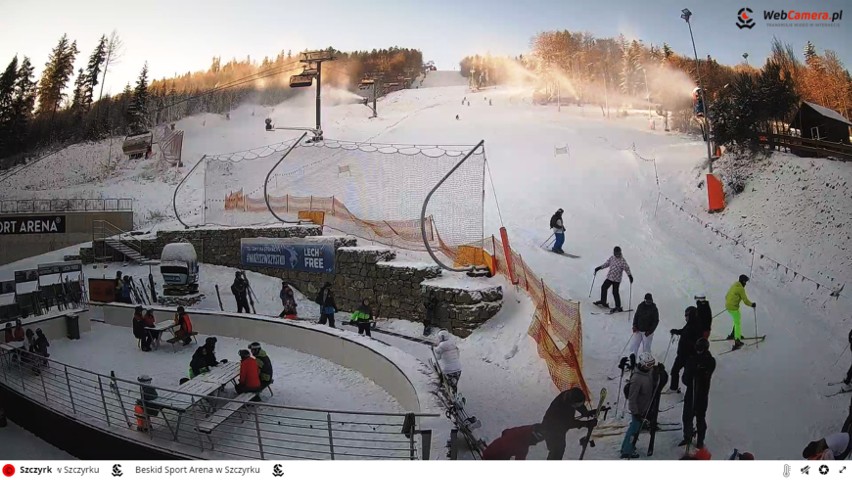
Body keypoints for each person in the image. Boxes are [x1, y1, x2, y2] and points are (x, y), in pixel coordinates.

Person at [541, 387, 598, 460]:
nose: (579, 405)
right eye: (577, 405)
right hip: (551, 429)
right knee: (557, 450)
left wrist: (586, 413)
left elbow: (579, 405)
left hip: (559, 427)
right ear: (572, 403)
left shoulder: (570, 396)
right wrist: (586, 424)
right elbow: (569, 423)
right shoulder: (563, 408)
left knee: (559, 449)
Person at [680, 337, 715, 449]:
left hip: (702, 393)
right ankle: (688, 436)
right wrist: (692, 374)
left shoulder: (710, 361)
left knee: (699, 416)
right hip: (692, 391)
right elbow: (685, 379)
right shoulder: (692, 359)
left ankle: (700, 440)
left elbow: (708, 372)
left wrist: (701, 372)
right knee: (688, 416)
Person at [621, 352, 655, 459]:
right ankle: (627, 450)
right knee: (633, 430)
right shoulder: (636, 379)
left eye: (652, 364)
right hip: (638, 409)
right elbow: (632, 398)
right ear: (642, 364)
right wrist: (635, 412)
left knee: (636, 429)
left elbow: (653, 375)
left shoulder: (648, 372)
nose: (650, 367)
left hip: (645, 407)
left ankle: (629, 446)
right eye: (648, 365)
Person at [669, 306, 702, 392]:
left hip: (690, 356)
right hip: (682, 354)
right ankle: (673, 388)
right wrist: (676, 331)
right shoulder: (690, 324)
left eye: (686, 315)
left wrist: (689, 344)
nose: (685, 317)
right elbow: (684, 331)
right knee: (674, 371)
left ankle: (691, 393)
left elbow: (697, 341)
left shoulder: (696, 326)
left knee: (688, 377)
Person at [593, 246, 633, 313]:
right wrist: (599, 267)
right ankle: (603, 302)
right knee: (604, 287)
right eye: (616, 253)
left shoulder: (622, 261)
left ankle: (618, 306)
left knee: (615, 292)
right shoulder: (612, 258)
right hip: (610, 277)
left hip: (616, 280)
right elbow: (607, 264)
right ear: (614, 253)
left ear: (620, 253)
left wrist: (630, 276)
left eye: (618, 253)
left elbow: (627, 268)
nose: (617, 254)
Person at [725, 275, 755, 350]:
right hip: (733, 308)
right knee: (737, 323)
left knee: (736, 320)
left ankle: (733, 334)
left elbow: (727, 295)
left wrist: (730, 303)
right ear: (743, 282)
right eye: (745, 282)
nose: (745, 284)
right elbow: (745, 301)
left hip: (728, 306)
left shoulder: (735, 284)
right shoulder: (741, 289)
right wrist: (752, 304)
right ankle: (737, 341)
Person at [629, 293, 659, 361]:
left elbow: (655, 321)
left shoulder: (654, 309)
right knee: (634, 346)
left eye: (650, 301)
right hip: (638, 330)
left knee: (646, 348)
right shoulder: (640, 306)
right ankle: (632, 361)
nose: (649, 302)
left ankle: (645, 363)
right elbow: (636, 316)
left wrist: (650, 331)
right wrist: (634, 325)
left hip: (647, 332)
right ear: (645, 300)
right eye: (647, 301)